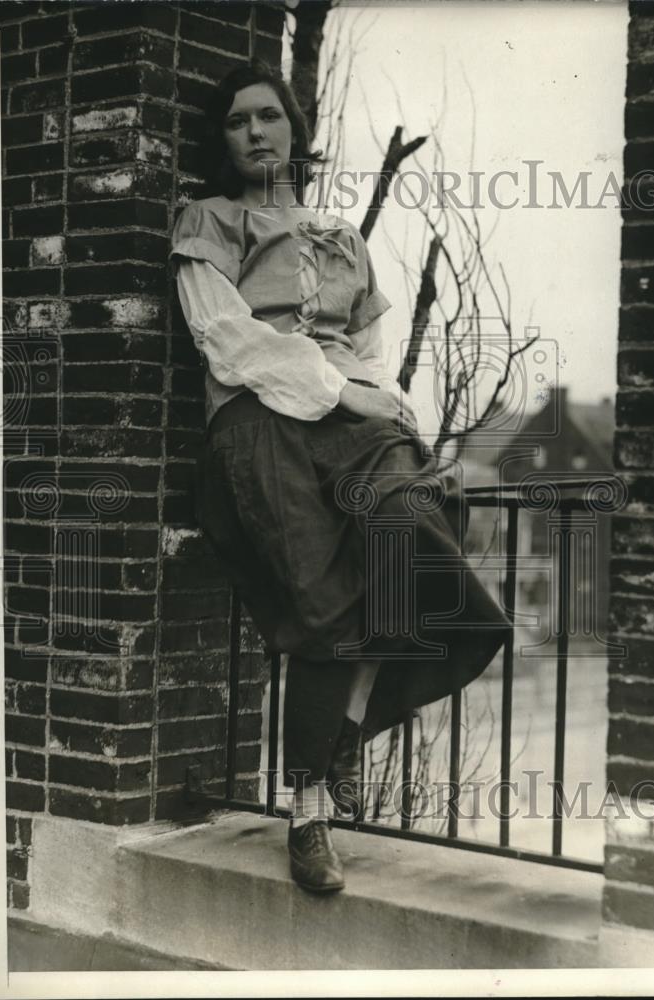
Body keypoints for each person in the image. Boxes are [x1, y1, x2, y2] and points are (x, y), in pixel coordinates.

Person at [169, 60, 511, 894]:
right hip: (261, 423)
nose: (256, 132)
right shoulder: (207, 220)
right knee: (327, 609)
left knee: (409, 542)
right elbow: (228, 341)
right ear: (223, 140)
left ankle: (349, 726)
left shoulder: (342, 236)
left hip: (355, 427)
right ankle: (309, 811)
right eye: (237, 121)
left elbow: (368, 353)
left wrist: (384, 405)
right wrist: (343, 392)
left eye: (269, 116)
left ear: (295, 129)